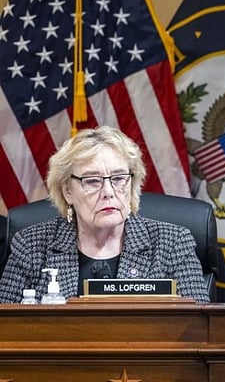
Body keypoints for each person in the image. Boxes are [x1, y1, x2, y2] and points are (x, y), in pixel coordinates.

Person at [0, 126, 209, 303]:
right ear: (67, 191)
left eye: (118, 178)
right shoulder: (31, 245)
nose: (108, 192)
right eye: (92, 181)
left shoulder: (172, 243)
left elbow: (199, 328)